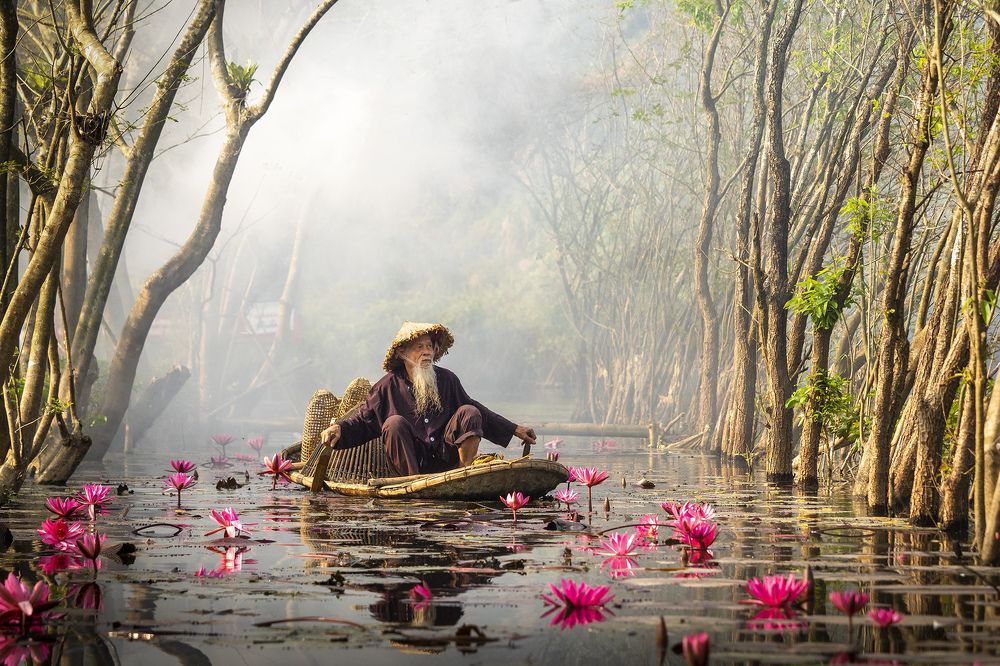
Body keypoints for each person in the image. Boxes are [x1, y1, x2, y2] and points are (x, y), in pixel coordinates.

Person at [320, 321, 536, 476]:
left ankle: (463, 474)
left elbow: (477, 411)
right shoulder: (387, 386)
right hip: (411, 464)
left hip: (445, 456)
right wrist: (339, 428)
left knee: (470, 412)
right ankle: (413, 483)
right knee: (393, 423)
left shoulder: (447, 379)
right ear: (403, 353)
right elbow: (362, 419)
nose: (427, 352)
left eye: (429, 347)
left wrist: (514, 428)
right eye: (419, 347)